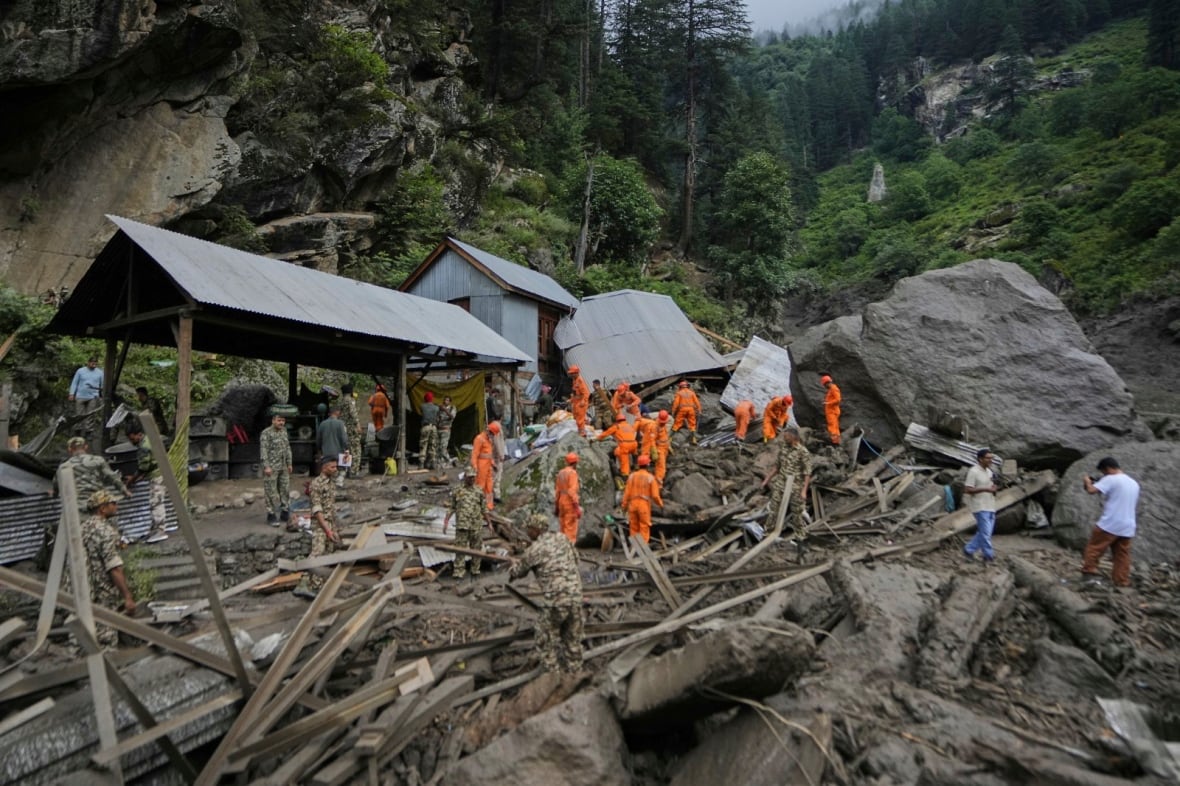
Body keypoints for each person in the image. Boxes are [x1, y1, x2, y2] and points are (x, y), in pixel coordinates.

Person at [509, 516, 584, 673]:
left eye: (528, 529)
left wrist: (513, 565)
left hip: (556, 600)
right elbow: (576, 559)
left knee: (545, 636)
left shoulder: (535, 549)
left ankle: (553, 675)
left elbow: (517, 573)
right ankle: (575, 672)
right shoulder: (562, 538)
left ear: (536, 530)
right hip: (576, 596)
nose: (527, 532)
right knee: (572, 639)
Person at [64, 490, 136, 649]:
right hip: (101, 592)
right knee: (105, 634)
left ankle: (78, 663)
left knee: (80, 632)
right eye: (112, 503)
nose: (116, 506)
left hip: (80, 590)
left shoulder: (82, 528)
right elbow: (114, 567)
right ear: (102, 508)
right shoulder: (105, 531)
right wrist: (127, 596)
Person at [46, 437, 132, 564]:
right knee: (109, 535)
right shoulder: (97, 461)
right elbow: (112, 477)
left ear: (70, 449)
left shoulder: (64, 467)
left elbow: (56, 485)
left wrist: (53, 494)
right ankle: (115, 561)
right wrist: (125, 491)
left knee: (81, 540)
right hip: (100, 506)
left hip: (79, 508)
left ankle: (86, 566)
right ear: (85, 447)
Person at [1080, 457, 1140, 587]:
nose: (1103, 475)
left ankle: (1089, 574)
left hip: (1110, 523)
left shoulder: (1110, 479)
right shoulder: (1133, 482)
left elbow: (1091, 491)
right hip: (1128, 525)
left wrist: (1087, 481)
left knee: (1094, 548)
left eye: (1103, 472)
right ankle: (1121, 581)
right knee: (1121, 555)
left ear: (1107, 469)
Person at [294, 457, 343, 598]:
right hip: (321, 524)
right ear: (324, 468)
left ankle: (317, 586)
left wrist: (334, 529)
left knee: (327, 554)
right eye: (332, 467)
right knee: (317, 552)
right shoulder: (316, 484)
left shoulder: (331, 482)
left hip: (330, 523)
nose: (335, 470)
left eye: (336, 467)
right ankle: (303, 582)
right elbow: (317, 511)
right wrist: (327, 530)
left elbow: (331, 507)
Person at [760, 425, 812, 541]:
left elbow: (807, 473)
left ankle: (801, 537)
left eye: (786, 437)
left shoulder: (803, 452)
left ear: (793, 437)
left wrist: (804, 491)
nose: (784, 439)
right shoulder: (784, 448)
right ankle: (766, 535)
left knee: (797, 513)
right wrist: (766, 480)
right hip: (780, 484)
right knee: (773, 510)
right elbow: (777, 467)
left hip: (795, 487)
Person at [126, 424, 168, 543]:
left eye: (133, 439)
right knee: (155, 502)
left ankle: (161, 530)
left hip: (157, 476)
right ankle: (155, 529)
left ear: (139, 435)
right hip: (160, 472)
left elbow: (143, 467)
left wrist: (132, 480)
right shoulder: (150, 439)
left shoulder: (143, 447)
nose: (132, 442)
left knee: (156, 502)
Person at [444, 473, 491, 578]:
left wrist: (489, 523)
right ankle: (458, 572)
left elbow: (484, 508)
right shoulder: (458, 491)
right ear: (465, 477)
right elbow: (452, 507)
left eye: (474, 477)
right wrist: (446, 521)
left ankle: (475, 570)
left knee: (476, 549)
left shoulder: (479, 491)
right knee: (460, 549)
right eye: (470, 477)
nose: (472, 479)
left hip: (476, 525)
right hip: (462, 525)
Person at [962, 448, 998, 563]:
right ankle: (988, 556)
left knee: (984, 533)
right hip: (979, 506)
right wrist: (986, 489)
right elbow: (968, 489)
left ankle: (968, 550)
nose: (990, 460)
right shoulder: (973, 471)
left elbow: (990, 487)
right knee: (986, 533)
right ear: (980, 459)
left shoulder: (989, 472)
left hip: (990, 505)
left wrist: (993, 489)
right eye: (988, 458)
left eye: (991, 458)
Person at [622, 454, 663, 543]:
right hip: (643, 506)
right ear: (648, 465)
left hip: (632, 505)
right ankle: (643, 550)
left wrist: (624, 506)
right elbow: (655, 496)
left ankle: (635, 549)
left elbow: (626, 494)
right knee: (644, 527)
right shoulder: (650, 478)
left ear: (638, 465)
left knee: (633, 527)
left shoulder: (632, 476)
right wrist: (660, 504)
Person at [261, 412, 293, 526]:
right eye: (279, 420)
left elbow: (287, 447)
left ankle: (285, 512)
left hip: (283, 466)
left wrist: (289, 463)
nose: (281, 423)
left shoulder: (284, 432)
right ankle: (271, 514)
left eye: (283, 421)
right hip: (272, 467)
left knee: (285, 489)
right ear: (273, 420)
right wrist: (266, 466)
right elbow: (263, 450)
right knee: (270, 491)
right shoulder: (266, 433)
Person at [597, 413, 638, 481]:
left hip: (625, 445)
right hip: (634, 444)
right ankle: (636, 465)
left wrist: (597, 438)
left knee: (624, 461)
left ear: (617, 420)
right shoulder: (629, 426)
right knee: (631, 453)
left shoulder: (617, 426)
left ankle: (625, 476)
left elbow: (606, 433)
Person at [68, 356, 103, 436]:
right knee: (79, 414)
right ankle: (78, 431)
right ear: (88, 362)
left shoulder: (100, 372)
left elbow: (103, 385)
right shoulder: (80, 371)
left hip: (93, 396)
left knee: (91, 415)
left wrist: (101, 395)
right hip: (80, 395)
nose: (94, 364)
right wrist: (72, 393)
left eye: (95, 363)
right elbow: (74, 382)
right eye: (92, 362)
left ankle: (89, 432)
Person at [316, 405, 349, 488]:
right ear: (337, 412)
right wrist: (347, 449)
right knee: (343, 467)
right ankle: (339, 482)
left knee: (328, 469)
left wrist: (319, 451)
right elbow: (344, 439)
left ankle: (329, 484)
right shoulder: (340, 423)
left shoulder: (322, 424)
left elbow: (318, 439)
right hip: (338, 452)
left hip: (326, 453)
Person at [554, 452, 583, 543]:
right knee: (570, 528)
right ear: (576, 463)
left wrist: (556, 507)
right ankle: (569, 550)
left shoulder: (561, 473)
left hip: (561, 502)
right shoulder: (572, 473)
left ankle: (562, 548)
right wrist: (576, 507)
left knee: (563, 527)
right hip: (569, 503)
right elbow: (572, 491)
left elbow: (557, 491)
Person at [470, 421, 499, 510]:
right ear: (488, 431)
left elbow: (489, 453)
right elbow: (474, 454)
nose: (493, 436)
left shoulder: (489, 440)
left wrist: (493, 464)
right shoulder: (479, 439)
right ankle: (477, 505)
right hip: (481, 467)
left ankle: (488, 506)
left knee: (489, 488)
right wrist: (475, 467)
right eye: (492, 434)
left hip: (488, 466)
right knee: (480, 486)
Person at [340, 383, 363, 478]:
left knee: (346, 450)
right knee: (356, 449)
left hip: (344, 428)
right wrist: (358, 425)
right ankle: (354, 472)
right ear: (350, 391)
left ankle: (346, 471)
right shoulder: (350, 400)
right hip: (352, 429)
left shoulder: (341, 401)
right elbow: (353, 413)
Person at [419, 392, 440, 469]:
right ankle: (433, 463)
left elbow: (421, 412)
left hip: (425, 426)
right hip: (433, 427)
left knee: (423, 444)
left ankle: (421, 463)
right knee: (433, 444)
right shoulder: (436, 407)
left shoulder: (422, 406)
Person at [568, 366, 590, 433]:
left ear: (576, 373)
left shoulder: (580, 381)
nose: (571, 375)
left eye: (572, 373)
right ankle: (584, 428)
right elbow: (574, 393)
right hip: (576, 402)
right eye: (570, 373)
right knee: (576, 417)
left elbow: (586, 393)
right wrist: (571, 400)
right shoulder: (574, 381)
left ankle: (582, 433)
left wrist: (584, 401)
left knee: (580, 419)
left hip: (581, 402)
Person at [821, 375, 842, 445]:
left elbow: (838, 400)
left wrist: (828, 403)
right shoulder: (831, 389)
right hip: (832, 411)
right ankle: (837, 441)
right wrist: (826, 402)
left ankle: (834, 442)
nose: (824, 386)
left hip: (832, 412)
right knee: (835, 427)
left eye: (824, 384)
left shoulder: (834, 389)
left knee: (832, 427)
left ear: (827, 383)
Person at [653, 410, 672, 484]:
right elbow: (651, 440)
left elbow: (665, 437)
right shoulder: (655, 427)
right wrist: (654, 450)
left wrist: (668, 446)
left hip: (665, 448)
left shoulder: (662, 425)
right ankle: (658, 484)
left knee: (661, 466)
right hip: (659, 449)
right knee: (661, 468)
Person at [437, 395, 456, 465]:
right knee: (438, 447)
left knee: (443, 447)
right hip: (439, 429)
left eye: (447, 400)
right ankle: (440, 462)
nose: (445, 401)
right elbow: (437, 418)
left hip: (446, 430)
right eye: (445, 400)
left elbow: (452, 416)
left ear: (450, 402)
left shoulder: (452, 408)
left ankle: (448, 460)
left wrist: (445, 409)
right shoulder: (440, 409)